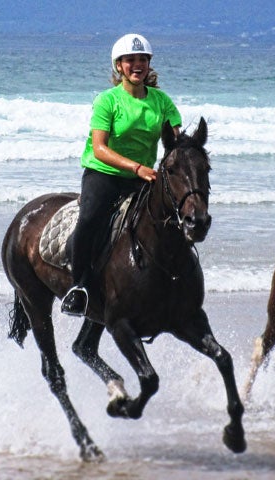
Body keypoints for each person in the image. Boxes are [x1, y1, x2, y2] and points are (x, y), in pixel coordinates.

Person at [60, 33, 182, 316]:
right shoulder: (107, 101)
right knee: (90, 219)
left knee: (173, 218)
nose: (137, 65)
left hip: (144, 177)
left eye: (143, 60)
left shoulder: (162, 102)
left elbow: (175, 144)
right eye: (130, 60)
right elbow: (100, 149)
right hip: (104, 174)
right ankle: (78, 288)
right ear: (119, 66)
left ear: (149, 64)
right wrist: (136, 167)